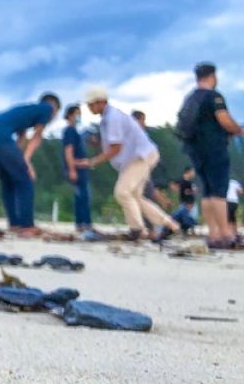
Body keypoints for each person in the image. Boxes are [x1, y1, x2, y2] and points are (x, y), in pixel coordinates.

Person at [80, 89, 179, 242]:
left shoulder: (112, 118)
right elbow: (116, 144)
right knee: (135, 196)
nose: (89, 108)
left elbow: (116, 148)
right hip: (139, 156)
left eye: (91, 104)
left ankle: (137, 229)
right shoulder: (109, 117)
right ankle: (170, 225)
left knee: (122, 192)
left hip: (140, 156)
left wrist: (93, 161)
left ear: (101, 102)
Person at [0, 94, 61, 236]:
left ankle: (14, 224)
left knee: (8, 180)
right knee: (25, 179)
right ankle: (27, 226)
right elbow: (37, 137)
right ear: (55, 108)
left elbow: (21, 140)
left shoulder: (26, 111)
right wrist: (26, 164)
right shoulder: (47, 108)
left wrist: (22, 161)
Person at [176, 63, 242, 248]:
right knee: (219, 191)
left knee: (205, 191)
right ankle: (224, 234)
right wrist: (238, 130)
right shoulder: (214, 96)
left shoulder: (190, 98)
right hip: (214, 148)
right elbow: (224, 119)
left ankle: (212, 233)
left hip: (195, 150)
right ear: (212, 76)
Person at [60, 105, 92, 232]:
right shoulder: (69, 131)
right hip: (77, 169)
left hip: (81, 168)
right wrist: (72, 169)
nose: (79, 117)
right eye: (77, 114)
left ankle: (81, 224)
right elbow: (69, 150)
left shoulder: (74, 131)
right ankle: (84, 224)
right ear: (70, 115)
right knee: (82, 197)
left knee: (81, 197)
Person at [172, 168, 198, 234]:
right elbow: (172, 184)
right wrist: (179, 190)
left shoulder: (190, 182)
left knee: (191, 217)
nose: (193, 174)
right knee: (184, 217)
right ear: (188, 172)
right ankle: (181, 230)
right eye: (192, 172)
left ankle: (191, 231)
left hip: (191, 202)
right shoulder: (182, 181)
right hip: (185, 203)